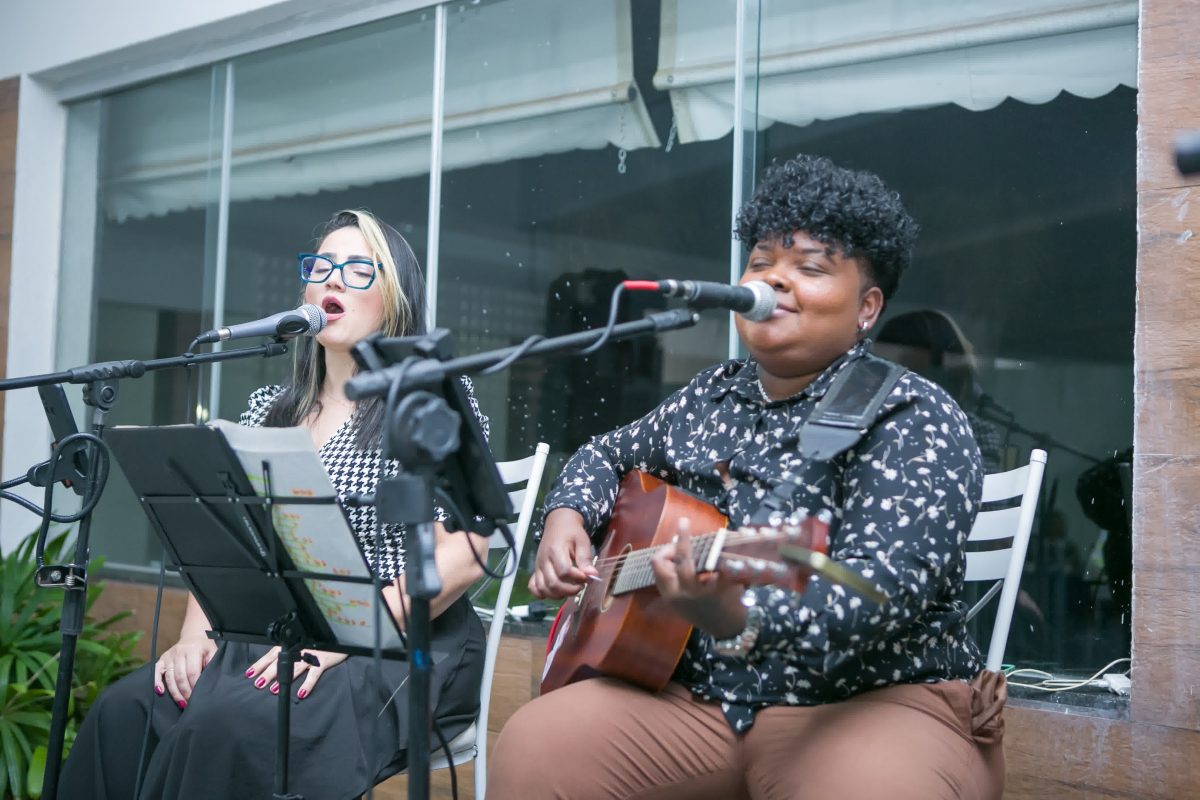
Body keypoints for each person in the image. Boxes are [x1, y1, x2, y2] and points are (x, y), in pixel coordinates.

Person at [488, 155, 1006, 800]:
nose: (774, 279)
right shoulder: (709, 396)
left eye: (810, 268)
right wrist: (567, 517)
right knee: (537, 748)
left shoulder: (913, 415)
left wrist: (738, 616)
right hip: (699, 701)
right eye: (761, 263)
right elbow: (603, 454)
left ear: (867, 307)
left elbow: (881, 592)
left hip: (872, 701)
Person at [59, 210, 490, 800]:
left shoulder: (430, 403)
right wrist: (195, 637)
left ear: (396, 299)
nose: (333, 279)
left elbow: (464, 554)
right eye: (322, 267)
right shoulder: (270, 409)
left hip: (395, 639)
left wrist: (348, 637)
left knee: (227, 726)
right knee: (125, 712)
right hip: (280, 633)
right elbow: (229, 543)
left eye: (358, 270)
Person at [873, 309, 1008, 472]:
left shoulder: (975, 434)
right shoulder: (861, 424)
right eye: (881, 370)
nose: (894, 386)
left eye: (911, 372)